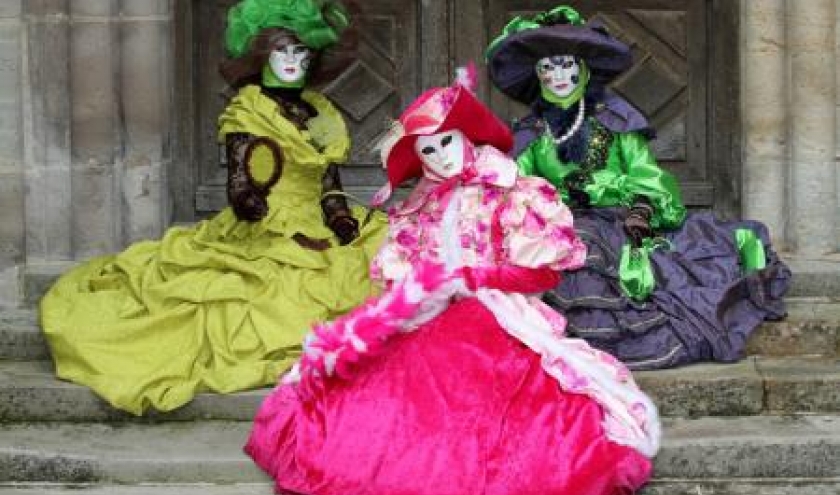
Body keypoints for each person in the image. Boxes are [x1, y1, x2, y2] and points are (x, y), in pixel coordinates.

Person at [244, 75, 659, 495]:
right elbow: (404, 279)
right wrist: (423, 296)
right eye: (428, 150)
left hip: (499, 314)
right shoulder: (420, 206)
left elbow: (544, 273)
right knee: (387, 396)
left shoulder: (515, 192)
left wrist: (473, 278)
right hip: (431, 315)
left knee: (487, 398)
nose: (440, 157)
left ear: (466, 136)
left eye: (446, 142)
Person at [39, 0, 387, 415]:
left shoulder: (320, 112)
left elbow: (329, 181)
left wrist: (340, 216)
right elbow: (240, 175)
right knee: (264, 294)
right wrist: (247, 200)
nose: (292, 60)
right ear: (261, 55)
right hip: (266, 227)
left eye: (300, 52)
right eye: (282, 50)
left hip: (316, 225)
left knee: (378, 257)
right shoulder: (250, 108)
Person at [486, 5, 791, 370]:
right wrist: (550, 202)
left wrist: (636, 207)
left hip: (618, 221)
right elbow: (518, 186)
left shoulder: (617, 122)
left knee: (597, 251)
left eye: (566, 64)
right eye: (548, 67)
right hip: (557, 224)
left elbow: (647, 177)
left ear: (583, 69)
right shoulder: (532, 134)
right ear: (537, 75)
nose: (558, 75)